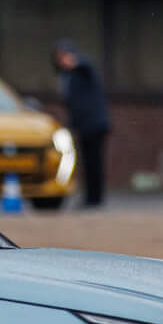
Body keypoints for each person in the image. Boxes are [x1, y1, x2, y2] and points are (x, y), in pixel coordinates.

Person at [53, 41, 110, 206]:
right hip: (83, 125)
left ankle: (95, 198)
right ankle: (90, 197)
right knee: (87, 162)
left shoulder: (82, 70)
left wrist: (76, 62)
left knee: (94, 162)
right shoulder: (67, 76)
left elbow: (86, 65)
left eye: (66, 56)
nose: (63, 60)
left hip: (95, 123)